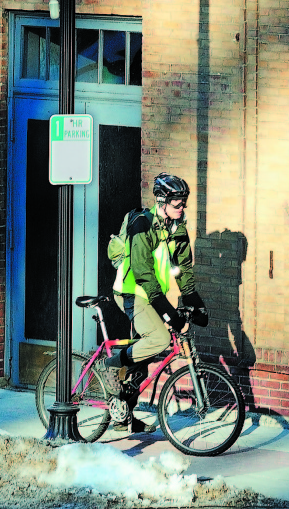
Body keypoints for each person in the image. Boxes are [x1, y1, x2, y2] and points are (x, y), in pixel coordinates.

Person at [99, 172, 208, 432]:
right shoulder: (142, 224)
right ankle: (110, 365)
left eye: (184, 203)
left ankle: (123, 415)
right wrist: (167, 311)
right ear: (161, 201)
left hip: (152, 295)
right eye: (177, 203)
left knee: (143, 363)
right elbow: (142, 270)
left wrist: (193, 299)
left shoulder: (177, 227)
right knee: (159, 339)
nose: (182, 208)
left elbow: (183, 268)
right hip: (131, 292)